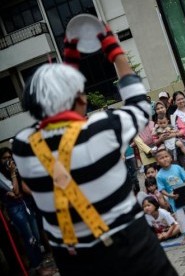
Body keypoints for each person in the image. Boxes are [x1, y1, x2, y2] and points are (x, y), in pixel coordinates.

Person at [12, 29, 176, 274]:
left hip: (73, 259)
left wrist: (69, 68)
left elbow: (64, 126)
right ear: (80, 97)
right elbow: (140, 105)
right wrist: (114, 50)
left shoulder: (22, 146)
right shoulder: (102, 128)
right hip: (129, 249)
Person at [0, 148, 51, 275]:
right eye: (5, 158)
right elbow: (16, 191)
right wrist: (12, 174)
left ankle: (40, 264)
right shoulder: (2, 176)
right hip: (15, 209)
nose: (8, 160)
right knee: (29, 239)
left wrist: (15, 174)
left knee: (36, 236)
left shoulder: (14, 170)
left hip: (26, 204)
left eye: (10, 157)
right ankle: (38, 267)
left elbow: (20, 189)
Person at [155, 149, 185, 244]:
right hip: (174, 200)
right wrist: (170, 195)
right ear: (158, 162)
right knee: (180, 219)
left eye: (166, 156)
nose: (165, 159)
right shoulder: (159, 175)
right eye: (161, 158)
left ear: (170, 158)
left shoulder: (177, 167)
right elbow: (162, 190)